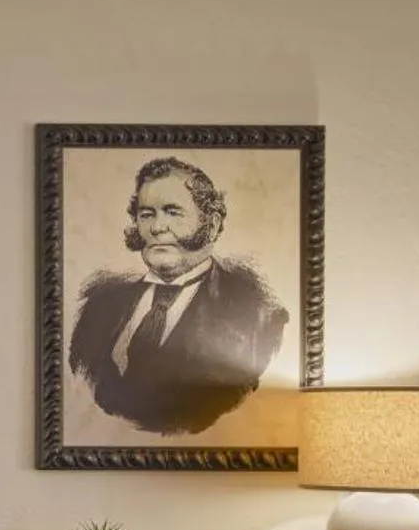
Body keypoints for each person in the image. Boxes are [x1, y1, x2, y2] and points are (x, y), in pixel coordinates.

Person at [67, 156, 288, 435]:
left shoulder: (260, 315)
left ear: (211, 222)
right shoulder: (98, 306)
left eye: (172, 212)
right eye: (146, 214)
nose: (157, 227)